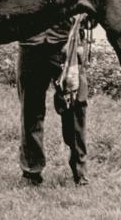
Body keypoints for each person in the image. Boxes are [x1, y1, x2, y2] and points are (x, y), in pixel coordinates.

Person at [17, 18, 89, 186]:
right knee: (30, 108)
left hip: (66, 43)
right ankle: (31, 172)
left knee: (75, 107)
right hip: (31, 43)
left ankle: (80, 171)